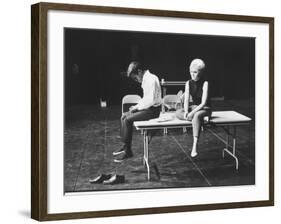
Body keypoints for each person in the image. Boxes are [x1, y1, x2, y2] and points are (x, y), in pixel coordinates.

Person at [113, 61, 162, 163]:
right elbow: (145, 99)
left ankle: (128, 151)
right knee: (124, 116)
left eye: (135, 77)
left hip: (153, 111)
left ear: (139, 71)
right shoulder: (146, 79)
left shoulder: (151, 79)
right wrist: (136, 106)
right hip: (148, 108)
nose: (136, 80)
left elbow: (151, 101)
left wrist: (137, 108)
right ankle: (125, 146)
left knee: (127, 120)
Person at [176, 59, 211, 157]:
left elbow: (203, 103)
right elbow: (186, 100)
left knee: (196, 116)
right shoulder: (188, 83)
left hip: (205, 108)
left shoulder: (205, 83)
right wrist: (187, 111)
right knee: (178, 112)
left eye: (195, 72)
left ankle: (195, 145)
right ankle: (199, 119)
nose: (192, 74)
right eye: (191, 72)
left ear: (201, 72)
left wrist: (192, 113)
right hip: (194, 107)